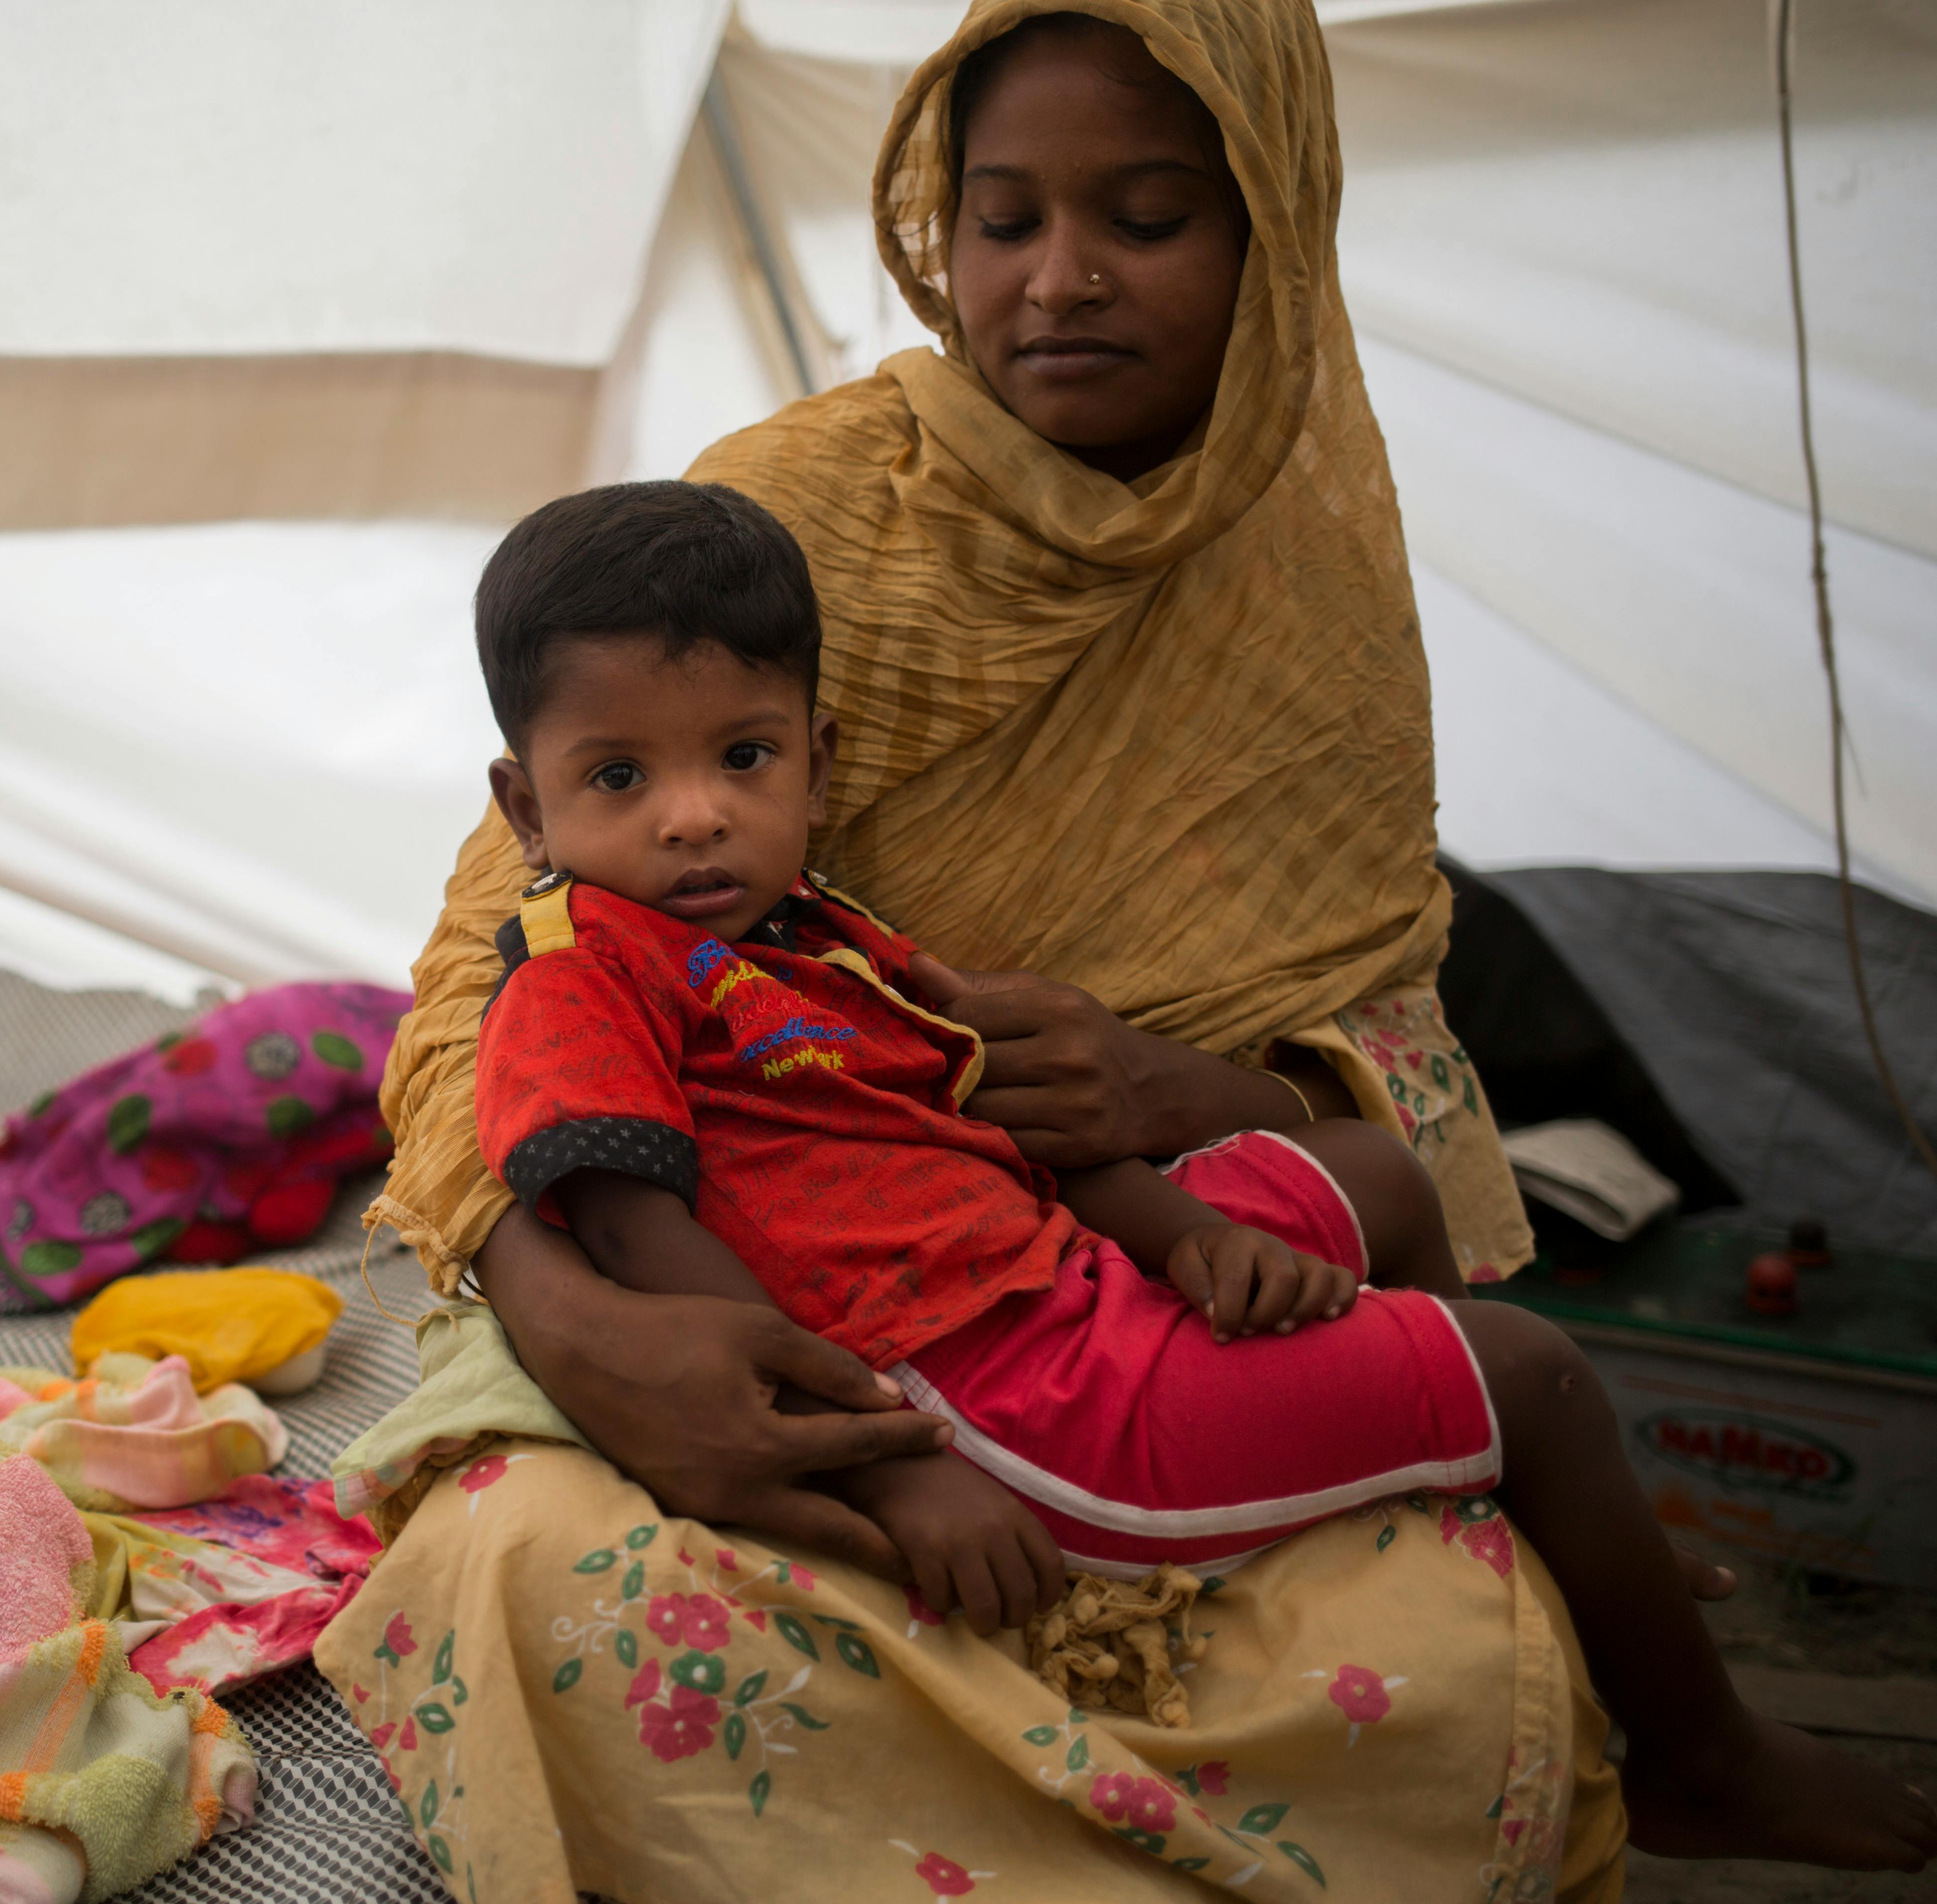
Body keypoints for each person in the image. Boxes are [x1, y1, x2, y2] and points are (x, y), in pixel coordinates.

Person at [320, 2, 1879, 1891]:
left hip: (1105, 1255)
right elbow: (484, 1010)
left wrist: (1164, 1095)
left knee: (1455, 1673)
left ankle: (1445, 1507)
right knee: (533, 1585)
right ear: (935, 231)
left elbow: (1364, 1058)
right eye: (999, 220)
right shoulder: (782, 529)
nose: (1053, 280)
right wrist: (606, 1341)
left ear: (1268, 232)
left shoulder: (1302, 569)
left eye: (1143, 216)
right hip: (778, 1298)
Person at [462, 476, 1933, 1869]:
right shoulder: (579, 973)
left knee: (1375, 1170)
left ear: (819, 757)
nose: (694, 812)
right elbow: (641, 1232)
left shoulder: (816, 933)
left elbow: (1010, 1120)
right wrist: (901, 1469)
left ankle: (1454, 1470)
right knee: (1538, 1371)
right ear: (527, 806)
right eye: (619, 774)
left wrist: (1179, 1236)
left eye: (742, 755)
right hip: (1005, 1398)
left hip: (1069, 1274)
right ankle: (1702, 1752)